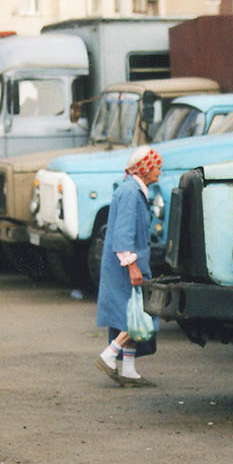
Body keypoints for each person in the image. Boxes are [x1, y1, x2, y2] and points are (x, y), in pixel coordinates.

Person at [94, 146, 162, 387]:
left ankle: (129, 370)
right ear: (144, 169)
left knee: (131, 313)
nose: (159, 172)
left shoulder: (134, 190)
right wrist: (132, 266)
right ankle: (110, 354)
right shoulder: (131, 193)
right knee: (138, 315)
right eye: (156, 167)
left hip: (128, 263)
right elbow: (122, 235)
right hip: (126, 265)